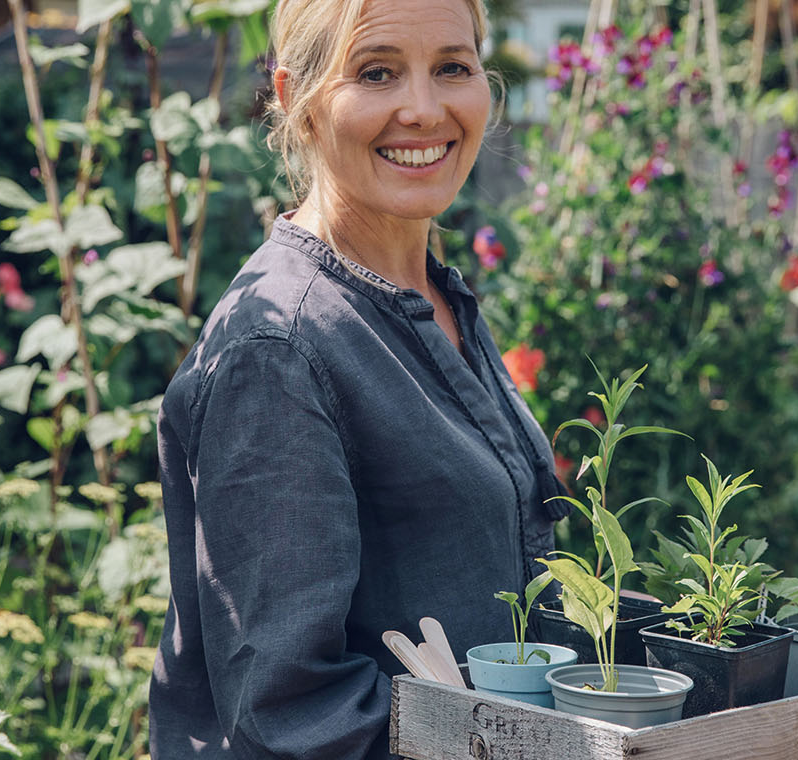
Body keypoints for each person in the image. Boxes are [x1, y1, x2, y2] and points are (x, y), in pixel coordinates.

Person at [149, 0, 568, 755]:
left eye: (452, 67)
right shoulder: (278, 350)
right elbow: (292, 715)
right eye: (375, 72)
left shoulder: (431, 298)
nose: (424, 108)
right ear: (294, 100)